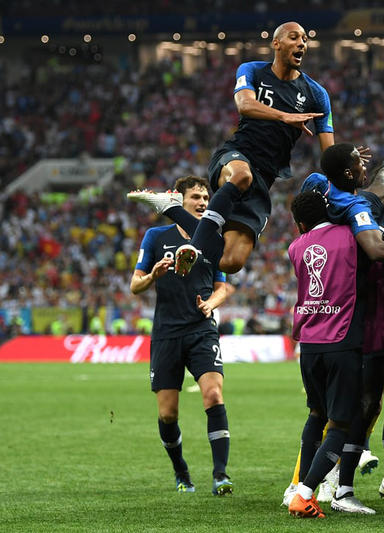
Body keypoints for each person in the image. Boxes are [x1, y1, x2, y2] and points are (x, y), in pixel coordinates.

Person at [129, 21, 333, 276]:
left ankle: (171, 208)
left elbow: (329, 153)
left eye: (305, 39)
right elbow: (244, 104)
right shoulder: (252, 70)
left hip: (265, 178)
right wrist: (284, 116)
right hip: (235, 155)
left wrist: (343, 167)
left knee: (231, 262)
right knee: (241, 175)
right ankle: (195, 247)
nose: (302, 43)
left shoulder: (317, 94)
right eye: (294, 37)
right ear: (276, 43)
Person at [130, 175, 233, 495]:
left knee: (214, 395)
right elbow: (135, 285)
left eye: (206, 198)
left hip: (202, 330)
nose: (203, 203)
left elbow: (224, 287)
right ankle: (181, 472)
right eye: (197, 197)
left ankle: (220, 475)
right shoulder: (156, 236)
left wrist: (210, 305)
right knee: (167, 412)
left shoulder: (212, 238)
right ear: (179, 201)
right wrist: (153, 275)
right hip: (166, 334)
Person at [286, 191, 372, 518]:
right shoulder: (351, 236)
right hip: (341, 341)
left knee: (316, 413)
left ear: (301, 224)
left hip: (308, 344)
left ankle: (299, 487)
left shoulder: (296, 247)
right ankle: (305, 494)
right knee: (340, 424)